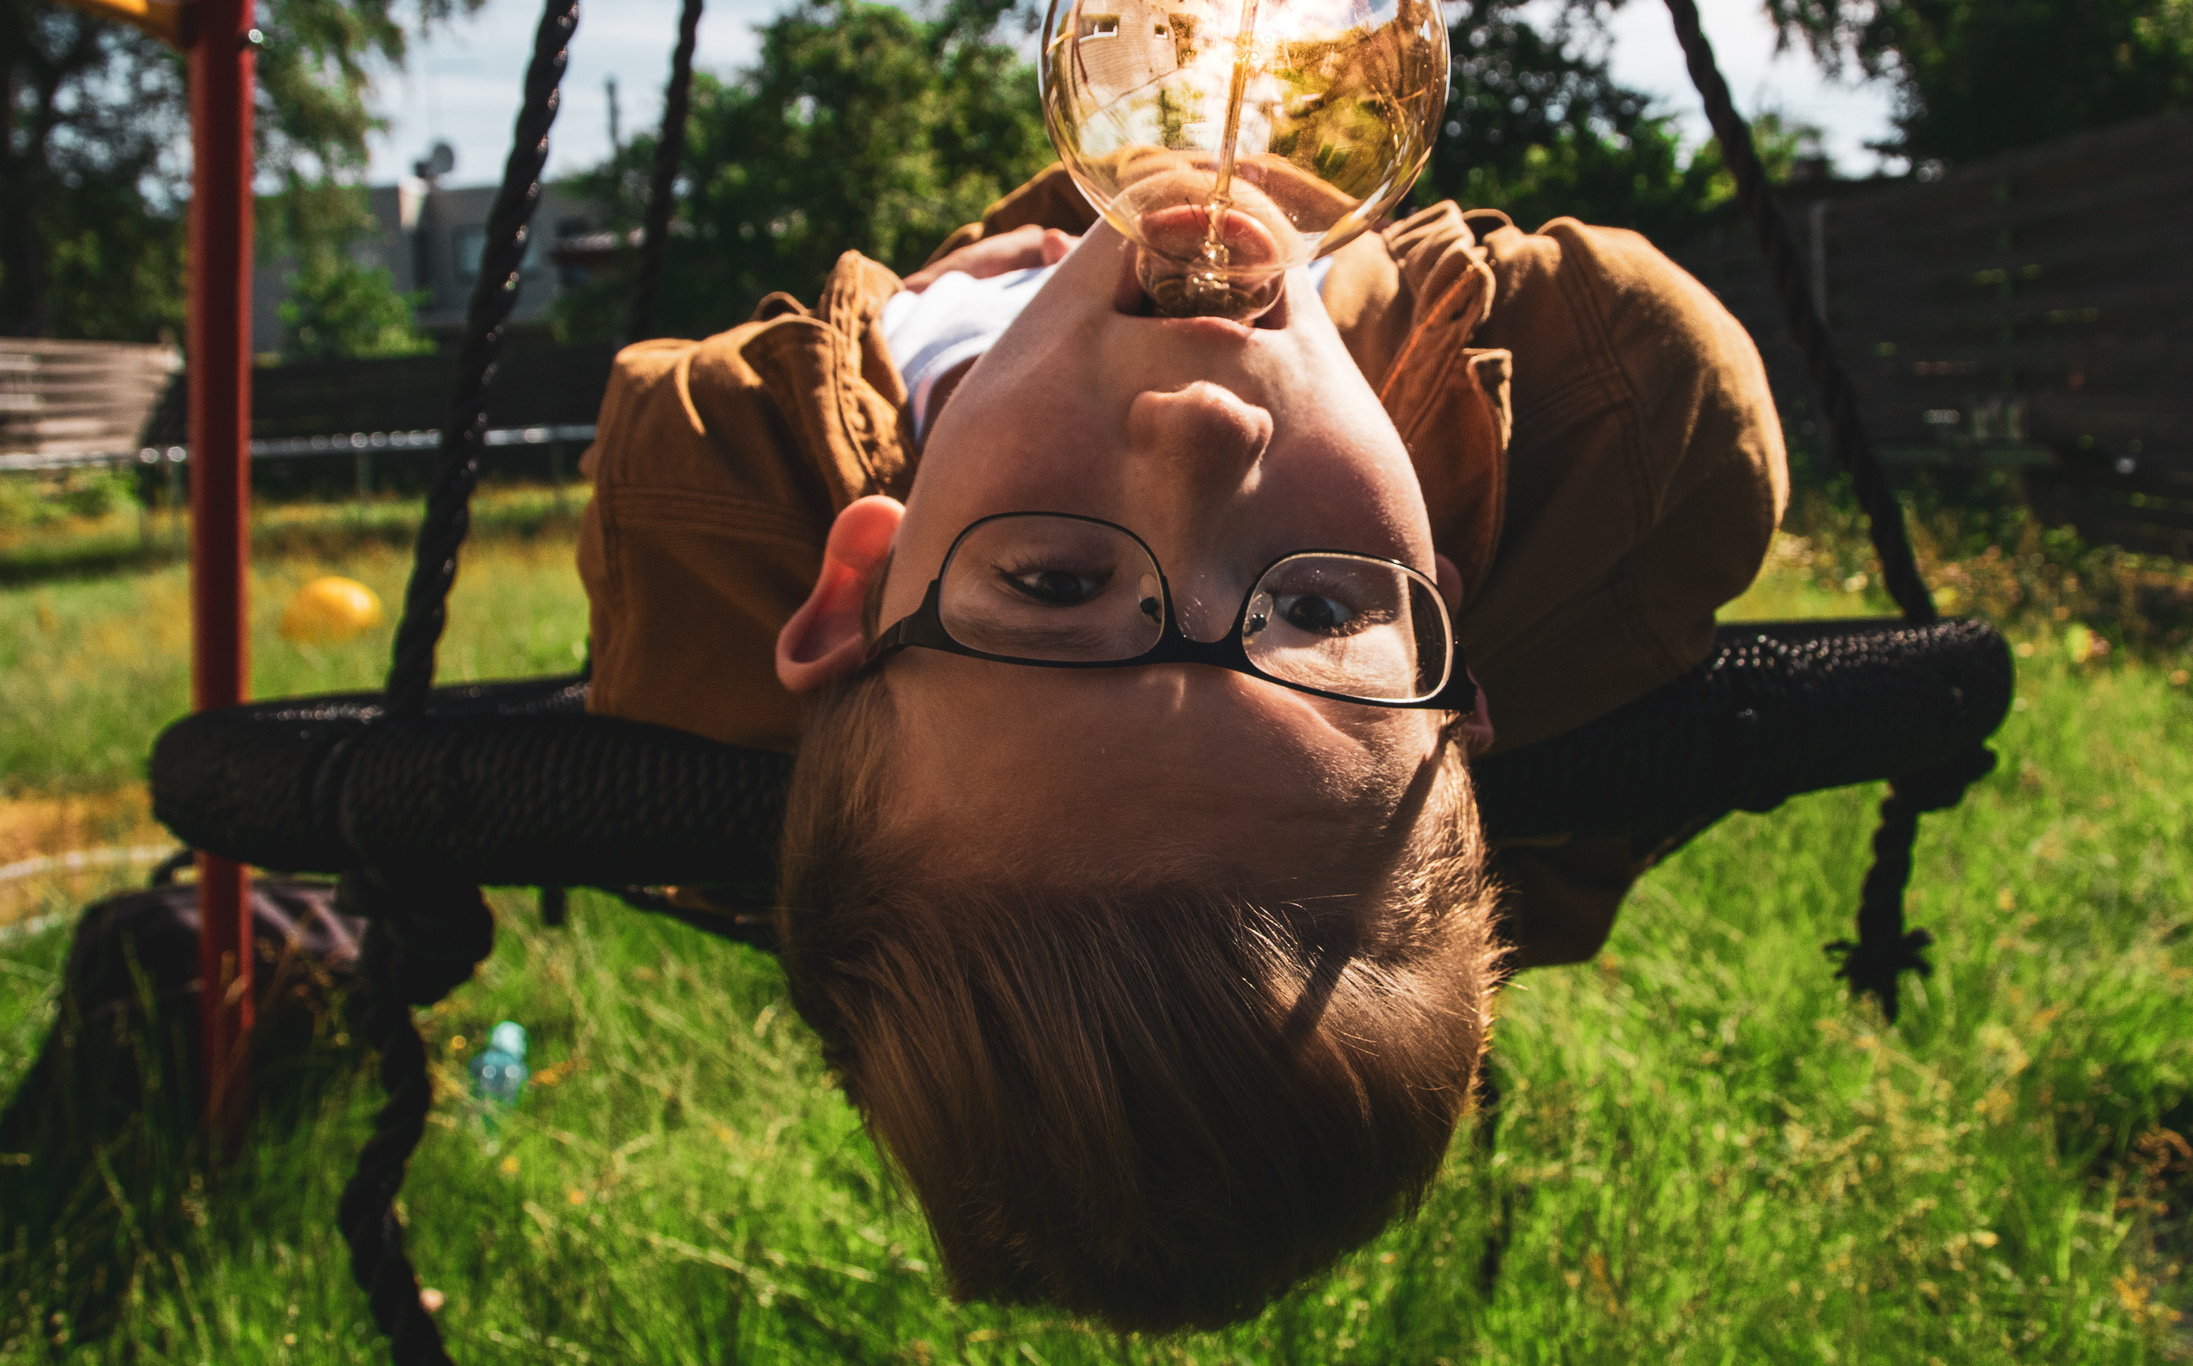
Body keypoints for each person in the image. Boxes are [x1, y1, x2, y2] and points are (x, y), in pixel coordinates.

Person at [576, 164, 1786, 1329]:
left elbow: (660, 434)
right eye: (1315, 609)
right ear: (1453, 643)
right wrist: (1308, 235)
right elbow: (1663, 368)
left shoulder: (708, 493)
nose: (1201, 425)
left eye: (1051, 584)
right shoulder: (1598, 443)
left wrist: (939, 309)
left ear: (861, 583)